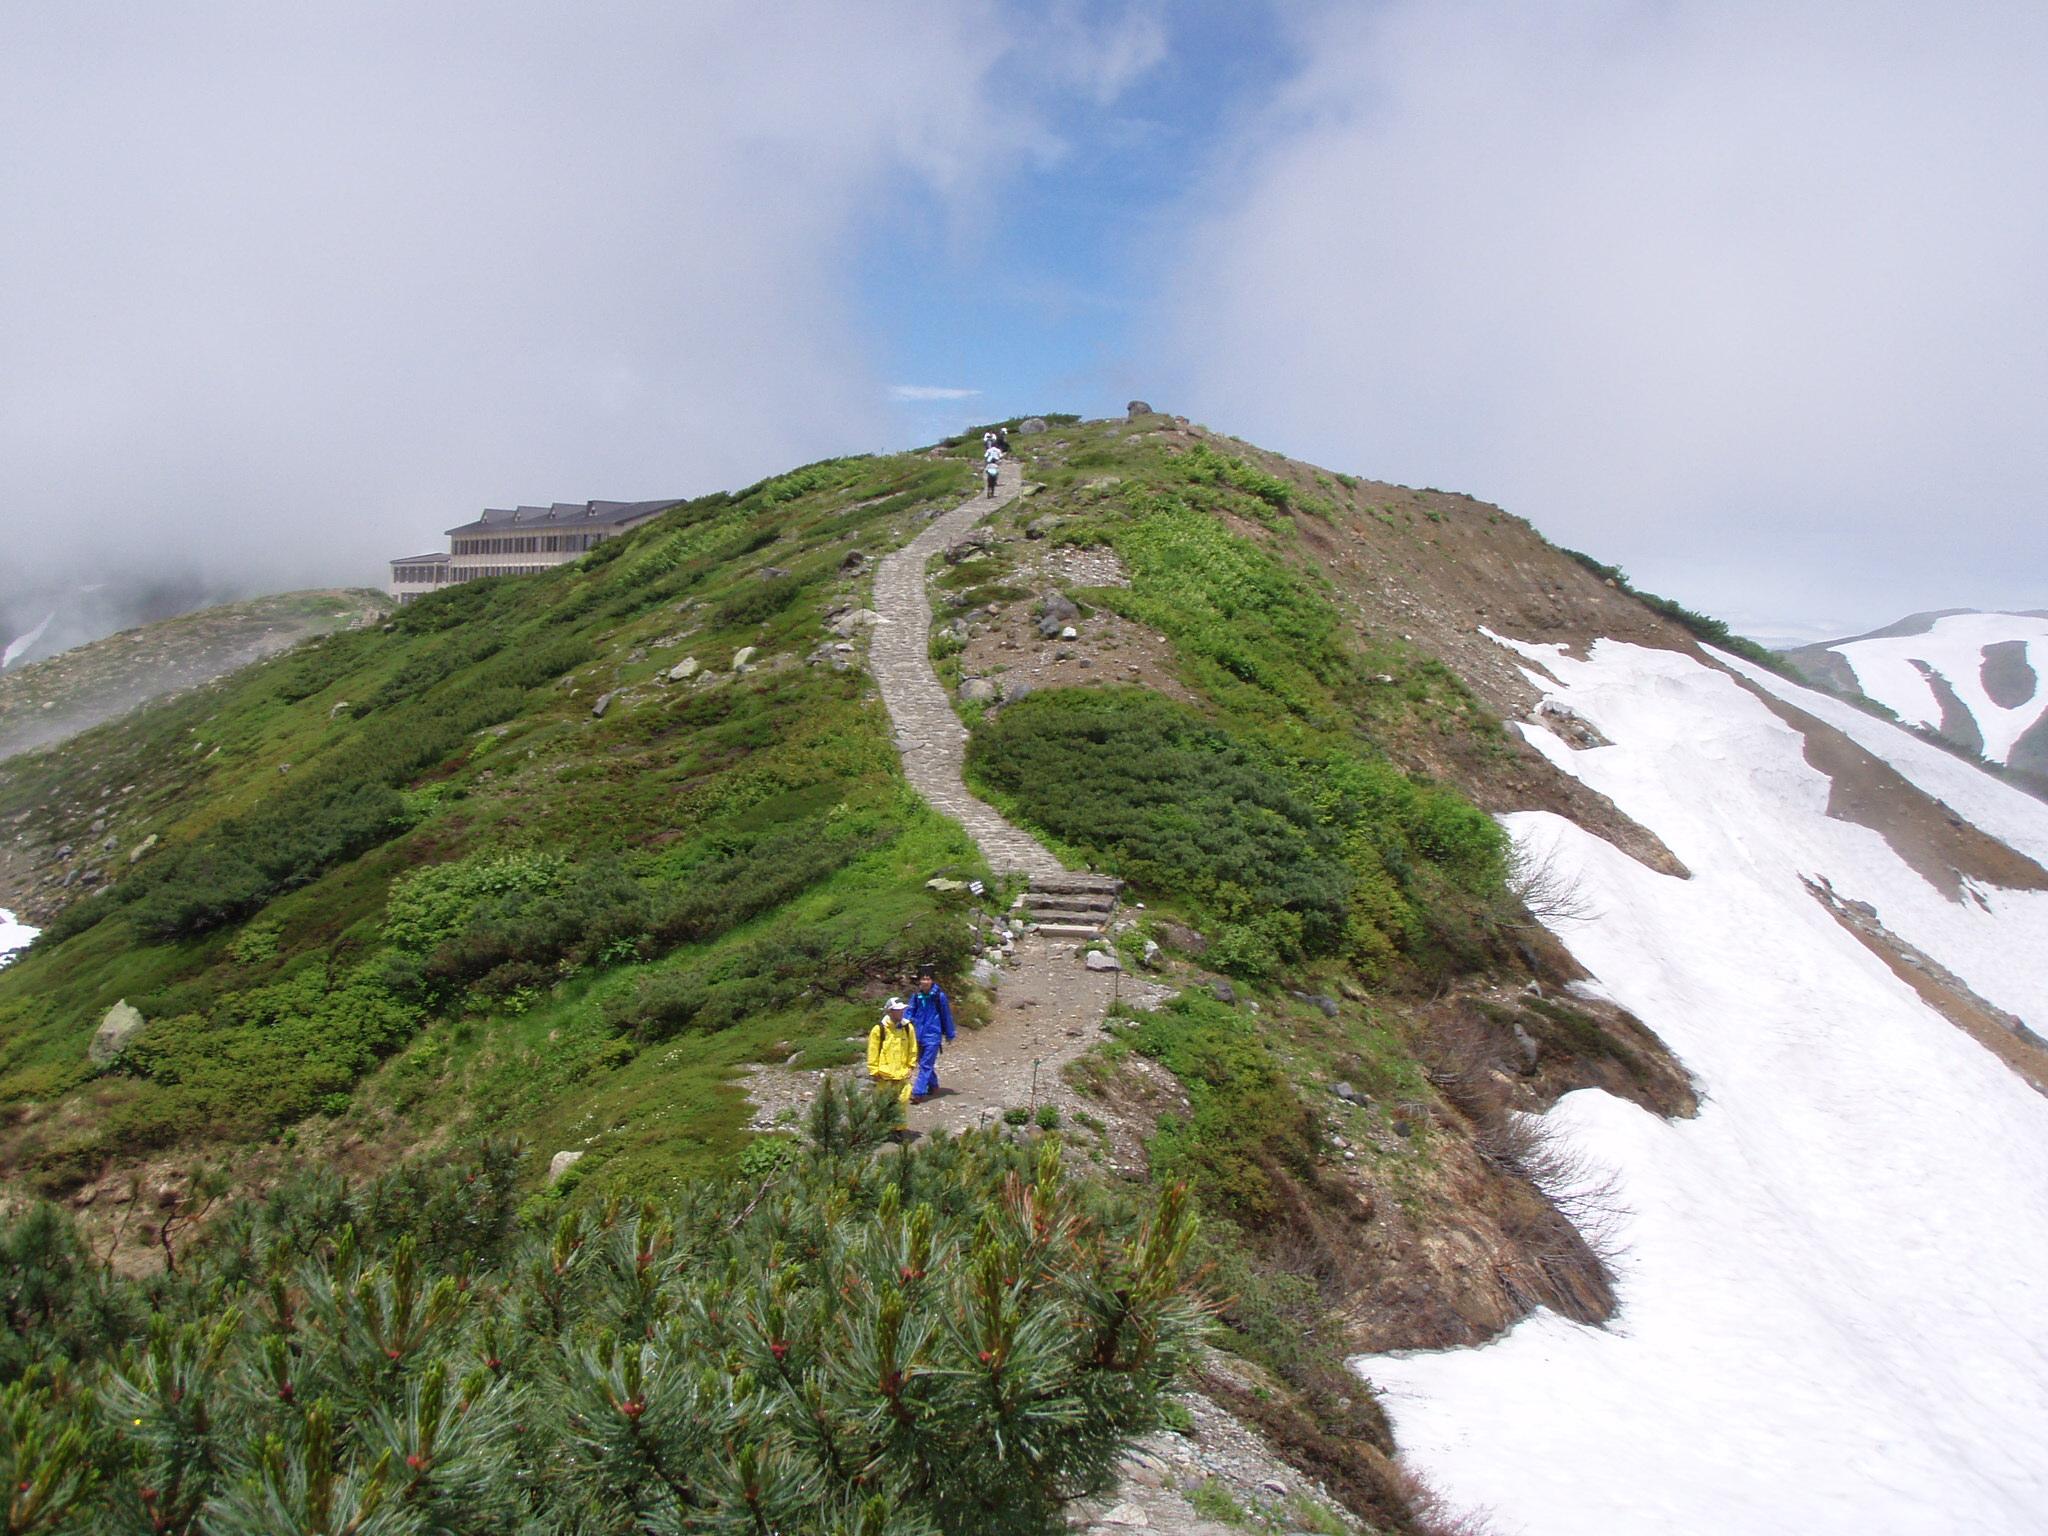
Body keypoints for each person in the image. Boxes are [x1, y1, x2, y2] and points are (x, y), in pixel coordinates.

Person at [906, 969, 955, 1102]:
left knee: (926, 1064)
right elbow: (909, 1011)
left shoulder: (939, 996)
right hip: (917, 1034)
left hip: (933, 1035)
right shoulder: (916, 996)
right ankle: (933, 1085)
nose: (925, 982)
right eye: (923, 979)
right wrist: (903, 1024)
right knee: (922, 1062)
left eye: (928, 979)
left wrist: (950, 1033)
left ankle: (918, 1092)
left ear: (932, 980)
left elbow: (946, 1015)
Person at [867, 997, 917, 1102]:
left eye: (902, 1009)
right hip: (884, 1077)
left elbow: (912, 1048)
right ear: (890, 1011)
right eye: (898, 1010)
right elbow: (873, 1051)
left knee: (901, 1104)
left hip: (903, 1075)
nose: (901, 1012)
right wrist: (874, 1071)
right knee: (884, 1106)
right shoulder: (879, 1029)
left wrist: (911, 1066)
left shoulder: (908, 1027)